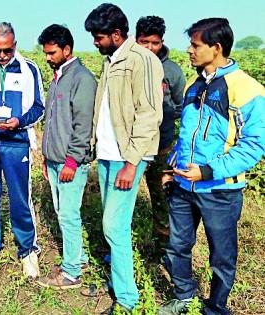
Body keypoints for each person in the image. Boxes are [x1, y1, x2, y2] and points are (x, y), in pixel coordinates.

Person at [159, 18, 265, 315]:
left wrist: (206, 171)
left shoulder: (246, 89)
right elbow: (186, 136)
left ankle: (216, 307)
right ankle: (184, 296)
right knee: (177, 246)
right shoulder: (194, 85)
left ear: (216, 48)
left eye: (195, 45)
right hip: (183, 185)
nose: (189, 50)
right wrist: (172, 167)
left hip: (221, 190)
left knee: (222, 256)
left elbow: (254, 145)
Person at [84, 3, 164, 313]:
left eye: (99, 36)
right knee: (112, 225)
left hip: (125, 157)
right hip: (108, 154)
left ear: (117, 34)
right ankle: (119, 284)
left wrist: (132, 163)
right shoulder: (111, 60)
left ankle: (128, 301)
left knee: (113, 227)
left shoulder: (141, 59)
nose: (95, 41)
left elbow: (148, 114)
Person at [0, 22, 44, 278]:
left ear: (14, 45)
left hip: (16, 143)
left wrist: (20, 121)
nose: (1, 56)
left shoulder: (29, 70)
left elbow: (39, 107)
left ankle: (27, 249)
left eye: (6, 51)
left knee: (19, 197)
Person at [35, 24, 96, 289]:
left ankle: (71, 273)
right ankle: (79, 258)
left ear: (67, 49)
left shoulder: (82, 78)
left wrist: (72, 161)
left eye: (51, 53)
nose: (47, 58)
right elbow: (52, 122)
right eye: (45, 53)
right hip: (55, 161)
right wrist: (48, 158)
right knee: (63, 212)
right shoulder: (59, 76)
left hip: (71, 163)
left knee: (69, 215)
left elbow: (84, 126)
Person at [135, 16, 186, 255]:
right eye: (143, 42)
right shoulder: (129, 65)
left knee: (162, 201)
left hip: (161, 148)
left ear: (161, 42)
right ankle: (119, 248)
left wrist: (160, 116)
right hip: (131, 149)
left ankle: (162, 250)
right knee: (123, 200)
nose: (148, 48)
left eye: (154, 43)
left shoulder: (172, 71)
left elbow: (180, 106)